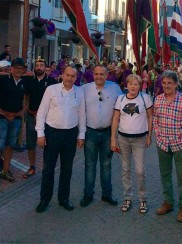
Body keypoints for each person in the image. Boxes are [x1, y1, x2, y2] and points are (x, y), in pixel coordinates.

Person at [35, 66, 86, 213]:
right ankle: (44, 199)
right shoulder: (51, 89)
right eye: (67, 75)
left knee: (67, 169)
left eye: (73, 76)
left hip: (70, 134)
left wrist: (81, 135)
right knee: (48, 169)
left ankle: (63, 198)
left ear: (76, 78)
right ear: (62, 75)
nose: (69, 78)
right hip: (52, 133)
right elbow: (42, 112)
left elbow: (82, 115)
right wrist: (40, 133)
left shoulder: (79, 92)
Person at [153, 70, 182, 222]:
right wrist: (157, 134)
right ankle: (168, 202)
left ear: (176, 84)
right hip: (162, 143)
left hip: (179, 144)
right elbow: (155, 119)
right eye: (164, 83)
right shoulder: (158, 100)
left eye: (170, 83)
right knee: (165, 175)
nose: (166, 86)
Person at [80, 65, 122, 208]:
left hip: (107, 133)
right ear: (93, 74)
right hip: (90, 132)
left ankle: (106, 194)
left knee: (106, 165)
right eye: (96, 74)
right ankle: (88, 194)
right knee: (90, 165)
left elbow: (121, 108)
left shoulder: (115, 88)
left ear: (106, 75)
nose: (99, 77)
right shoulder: (84, 89)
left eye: (102, 74)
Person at [111, 74, 153, 213]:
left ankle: (142, 199)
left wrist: (149, 135)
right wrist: (113, 138)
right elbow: (116, 119)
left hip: (139, 139)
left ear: (140, 86)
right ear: (126, 85)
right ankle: (127, 197)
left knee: (140, 171)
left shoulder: (145, 98)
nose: (133, 86)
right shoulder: (120, 99)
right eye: (130, 84)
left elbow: (150, 116)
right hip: (123, 139)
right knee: (125, 170)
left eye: (136, 84)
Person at [0, 58, 28, 187]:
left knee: (10, 146)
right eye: (16, 68)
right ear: (11, 68)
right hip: (0, 117)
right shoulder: (1, 79)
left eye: (21, 68)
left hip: (16, 118)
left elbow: (27, 98)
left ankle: (5, 171)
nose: (19, 70)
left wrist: (23, 110)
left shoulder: (25, 81)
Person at [23, 58, 57, 179]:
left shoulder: (52, 81)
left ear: (45, 68)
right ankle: (32, 166)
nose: (39, 67)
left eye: (41, 65)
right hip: (31, 116)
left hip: (47, 119)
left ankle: (46, 168)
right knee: (31, 143)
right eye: (37, 65)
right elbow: (26, 97)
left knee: (47, 144)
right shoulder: (29, 80)